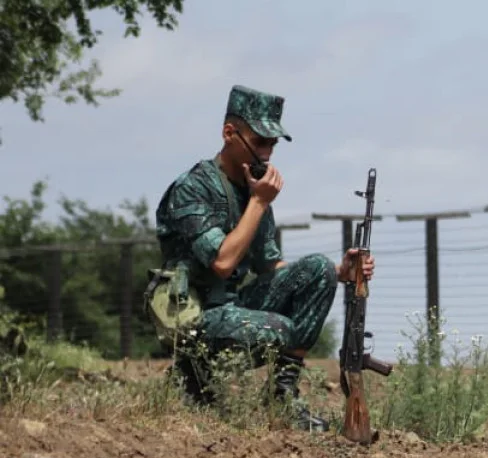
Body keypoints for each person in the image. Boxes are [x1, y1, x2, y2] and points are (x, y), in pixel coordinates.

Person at [149, 84, 374, 432]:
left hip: (233, 305)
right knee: (280, 329)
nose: (267, 154)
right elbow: (222, 263)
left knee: (316, 270)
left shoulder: (252, 190)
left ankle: (281, 396)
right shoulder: (193, 188)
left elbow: (271, 267)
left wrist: (340, 272)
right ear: (229, 133)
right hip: (195, 318)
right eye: (259, 142)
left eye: (272, 144)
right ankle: (190, 374)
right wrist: (258, 203)